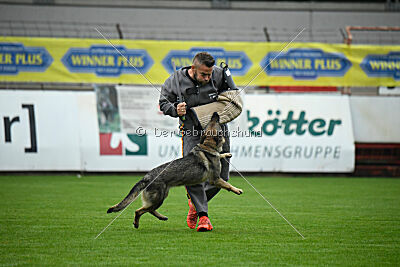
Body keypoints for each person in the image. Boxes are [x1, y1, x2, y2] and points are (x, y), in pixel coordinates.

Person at [159, 52, 236, 232]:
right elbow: (163, 103)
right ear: (193, 69)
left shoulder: (219, 74)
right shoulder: (175, 80)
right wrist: (174, 109)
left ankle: (195, 203)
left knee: (222, 177)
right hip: (191, 129)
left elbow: (233, 93)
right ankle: (203, 216)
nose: (208, 78)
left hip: (217, 128)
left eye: (210, 74)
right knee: (193, 173)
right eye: (204, 75)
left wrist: (227, 97)